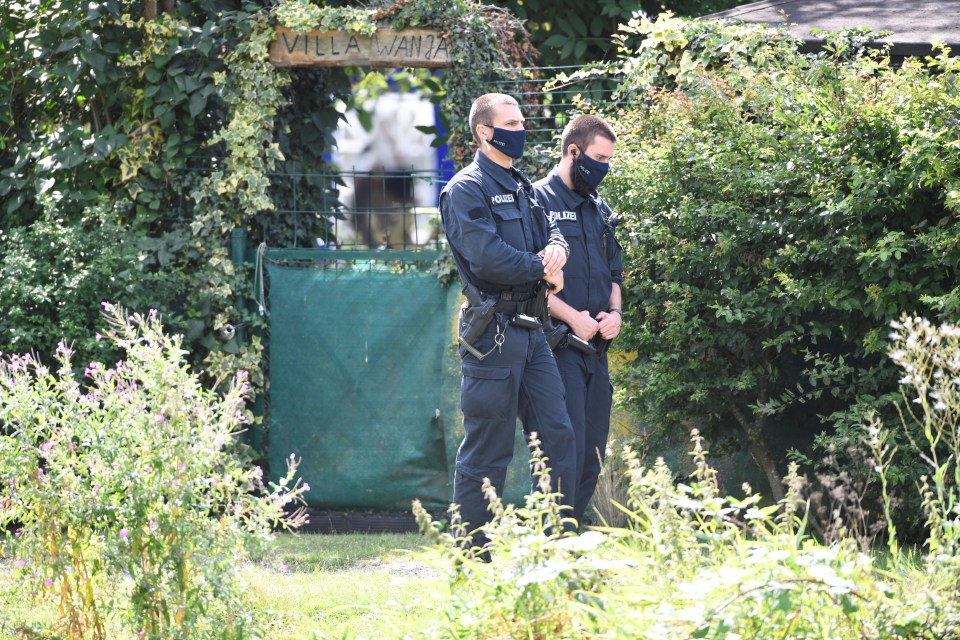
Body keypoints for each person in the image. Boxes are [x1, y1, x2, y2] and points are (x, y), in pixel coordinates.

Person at [439, 93, 578, 550]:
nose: (521, 129)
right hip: (493, 334)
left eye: (522, 121)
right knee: (487, 451)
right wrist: (542, 267)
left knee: (557, 440)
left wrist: (556, 251)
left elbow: (551, 230)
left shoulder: (522, 184)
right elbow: (488, 258)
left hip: (534, 330)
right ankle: (472, 559)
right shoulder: (466, 188)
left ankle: (552, 552)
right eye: (512, 123)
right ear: (485, 131)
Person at [532, 114, 623, 527]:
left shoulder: (597, 206)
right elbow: (531, 279)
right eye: (599, 158)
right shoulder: (537, 201)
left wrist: (615, 314)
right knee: (561, 446)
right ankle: (552, 532)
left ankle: (572, 527)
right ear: (573, 151)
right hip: (558, 347)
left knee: (592, 450)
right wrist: (574, 319)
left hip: (597, 349)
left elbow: (615, 274)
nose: (604, 168)